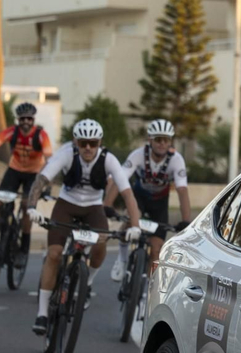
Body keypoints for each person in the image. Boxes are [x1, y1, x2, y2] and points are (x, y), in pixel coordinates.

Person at [25, 119, 140, 336]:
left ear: (100, 143)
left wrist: (135, 226)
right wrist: (32, 207)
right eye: (83, 142)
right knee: (54, 253)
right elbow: (41, 180)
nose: (88, 148)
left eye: (93, 143)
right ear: (75, 141)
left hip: (93, 208)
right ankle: (42, 313)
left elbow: (127, 195)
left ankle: (87, 283)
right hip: (66, 205)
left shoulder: (109, 160)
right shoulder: (66, 154)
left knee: (101, 245)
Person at [106, 118, 192, 282]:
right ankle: (122, 259)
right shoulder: (138, 155)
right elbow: (119, 179)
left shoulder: (176, 160)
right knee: (129, 222)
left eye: (165, 140)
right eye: (158, 139)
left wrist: (186, 221)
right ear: (150, 140)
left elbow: (182, 191)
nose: (161, 143)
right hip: (139, 198)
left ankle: (147, 288)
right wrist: (107, 205)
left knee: (156, 250)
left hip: (160, 204)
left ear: (170, 142)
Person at [0, 101, 51, 265]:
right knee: (0, 202)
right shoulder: (11, 132)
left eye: (29, 118)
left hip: (34, 174)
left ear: (33, 119)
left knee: (28, 208)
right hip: (14, 171)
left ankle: (23, 250)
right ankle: (3, 234)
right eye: (22, 119)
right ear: (18, 119)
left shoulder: (41, 135)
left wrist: (46, 186)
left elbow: (50, 161)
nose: (25, 122)